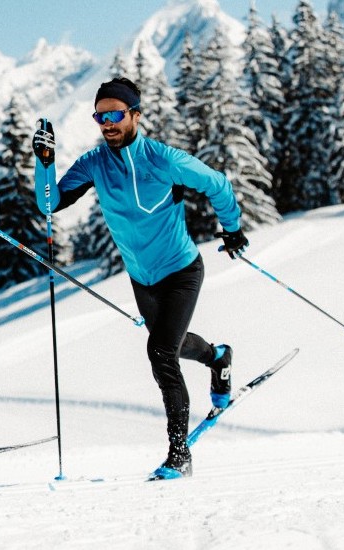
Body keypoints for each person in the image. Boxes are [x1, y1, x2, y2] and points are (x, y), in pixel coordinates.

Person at [38, 77, 249, 480]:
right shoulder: (94, 164)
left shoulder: (162, 159)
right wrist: (44, 163)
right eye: (100, 116)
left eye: (116, 114)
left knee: (160, 353)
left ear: (136, 114)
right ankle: (218, 357)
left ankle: (179, 453)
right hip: (142, 278)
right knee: (171, 343)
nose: (108, 123)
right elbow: (50, 203)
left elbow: (217, 183)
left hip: (182, 271)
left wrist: (232, 227)